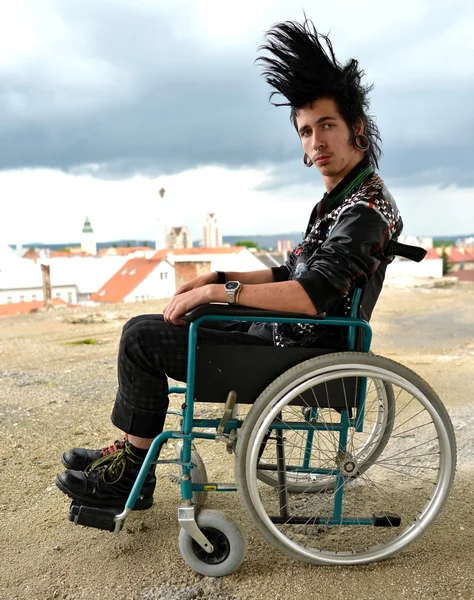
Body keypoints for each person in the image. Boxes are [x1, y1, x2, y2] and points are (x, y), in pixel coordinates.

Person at [56, 18, 403, 510]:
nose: (315, 141)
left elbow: (309, 295)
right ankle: (133, 457)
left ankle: (132, 473)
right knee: (173, 317)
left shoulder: (364, 210)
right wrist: (217, 278)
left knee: (141, 337)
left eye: (327, 125)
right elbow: (291, 273)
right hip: (282, 336)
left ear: (357, 129)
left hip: (296, 353)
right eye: (306, 131)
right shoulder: (342, 199)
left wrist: (220, 294)